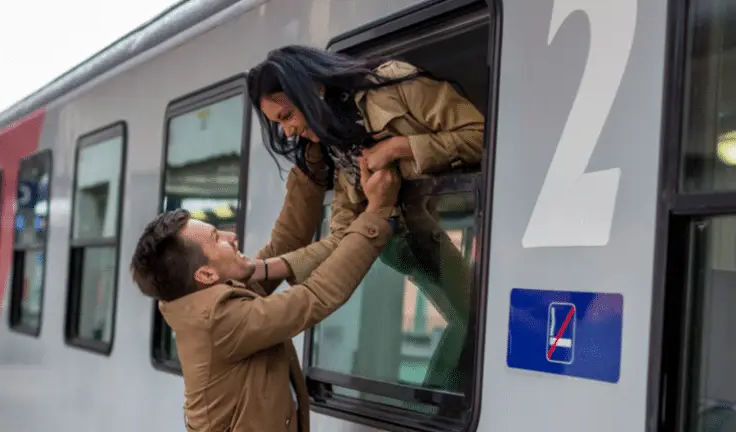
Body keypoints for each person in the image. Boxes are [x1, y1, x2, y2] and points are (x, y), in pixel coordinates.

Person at [246, 45, 485, 392]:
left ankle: (431, 405)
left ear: (313, 90)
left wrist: (400, 147)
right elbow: (340, 239)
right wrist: (260, 270)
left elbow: (482, 137)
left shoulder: (391, 85)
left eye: (286, 116)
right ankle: (432, 404)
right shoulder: (335, 145)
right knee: (469, 322)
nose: (287, 132)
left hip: (430, 234)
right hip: (403, 250)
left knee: (472, 323)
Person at [129, 161, 399, 432]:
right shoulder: (220, 320)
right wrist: (376, 214)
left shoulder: (208, 298)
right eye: (216, 238)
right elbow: (314, 297)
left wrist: (309, 169)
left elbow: (283, 245)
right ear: (207, 275)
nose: (231, 236)